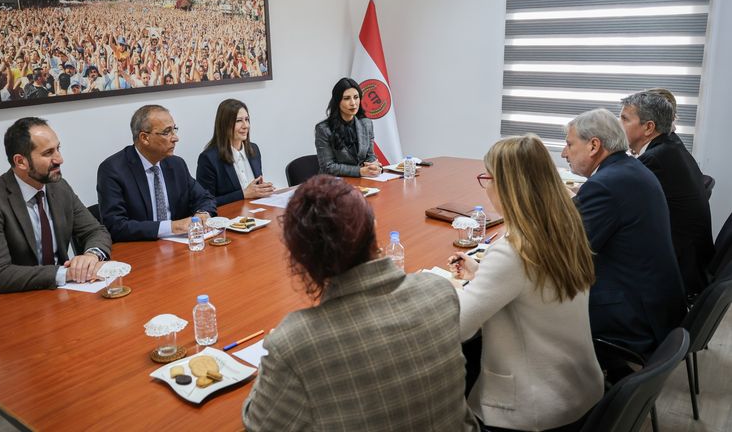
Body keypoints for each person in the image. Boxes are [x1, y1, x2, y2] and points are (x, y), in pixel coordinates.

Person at [242, 175, 478, 431]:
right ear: (374, 228)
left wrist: (274, 356)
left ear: (300, 258)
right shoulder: (440, 292)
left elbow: (257, 425)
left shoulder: (295, 343)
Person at [445, 135, 603, 431]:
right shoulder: (564, 226)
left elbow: (459, 327)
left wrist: (446, 290)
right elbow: (534, 286)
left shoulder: (513, 249)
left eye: (487, 178)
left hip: (531, 410)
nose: (486, 186)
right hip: (578, 390)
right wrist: (482, 272)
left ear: (506, 185)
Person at [562, 109, 686, 357]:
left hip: (631, 316)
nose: (564, 153)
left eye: (569, 144)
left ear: (594, 146)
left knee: (533, 310)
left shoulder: (605, 185)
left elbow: (566, 249)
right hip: (656, 303)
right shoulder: (628, 169)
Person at [0, 117, 112, 303]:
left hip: (56, 297)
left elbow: (95, 230)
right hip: (7, 306)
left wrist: (92, 255)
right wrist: (66, 273)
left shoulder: (58, 187)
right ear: (21, 162)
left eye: (58, 148)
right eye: (48, 153)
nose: (60, 159)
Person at [619, 89, 714, 294]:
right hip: (689, 260)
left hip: (677, 273)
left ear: (649, 127)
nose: (618, 125)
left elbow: (620, 208)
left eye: (624, 119)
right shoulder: (670, 146)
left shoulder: (655, 159)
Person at [97, 105, 216, 242]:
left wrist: (202, 214)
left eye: (174, 130)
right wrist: (171, 227)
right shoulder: (113, 170)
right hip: (140, 251)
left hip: (179, 247)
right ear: (144, 138)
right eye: (167, 132)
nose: (175, 138)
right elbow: (116, 226)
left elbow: (205, 198)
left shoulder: (176, 164)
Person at [196, 99, 275, 206]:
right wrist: (243, 194)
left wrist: (264, 189)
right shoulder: (208, 159)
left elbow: (255, 190)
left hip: (257, 212)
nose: (246, 125)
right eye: (239, 121)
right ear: (224, 125)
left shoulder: (254, 149)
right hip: (230, 219)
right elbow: (206, 202)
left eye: (247, 119)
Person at [314, 77, 382, 177]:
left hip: (363, 182)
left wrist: (373, 165)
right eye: (346, 98)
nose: (353, 103)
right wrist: (359, 171)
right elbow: (328, 167)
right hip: (333, 184)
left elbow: (370, 155)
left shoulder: (366, 124)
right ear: (338, 101)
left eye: (356, 97)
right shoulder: (323, 129)